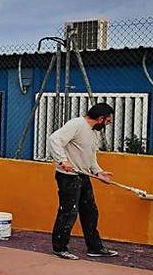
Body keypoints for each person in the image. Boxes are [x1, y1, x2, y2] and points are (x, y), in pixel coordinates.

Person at [47, 103, 119, 260]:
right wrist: (62, 161)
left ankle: (94, 247)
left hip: (83, 175)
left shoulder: (94, 133)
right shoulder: (77, 124)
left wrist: (99, 172)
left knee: (90, 212)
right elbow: (54, 139)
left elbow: (91, 157)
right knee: (68, 212)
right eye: (108, 121)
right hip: (68, 177)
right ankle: (59, 248)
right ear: (100, 118)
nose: (109, 124)